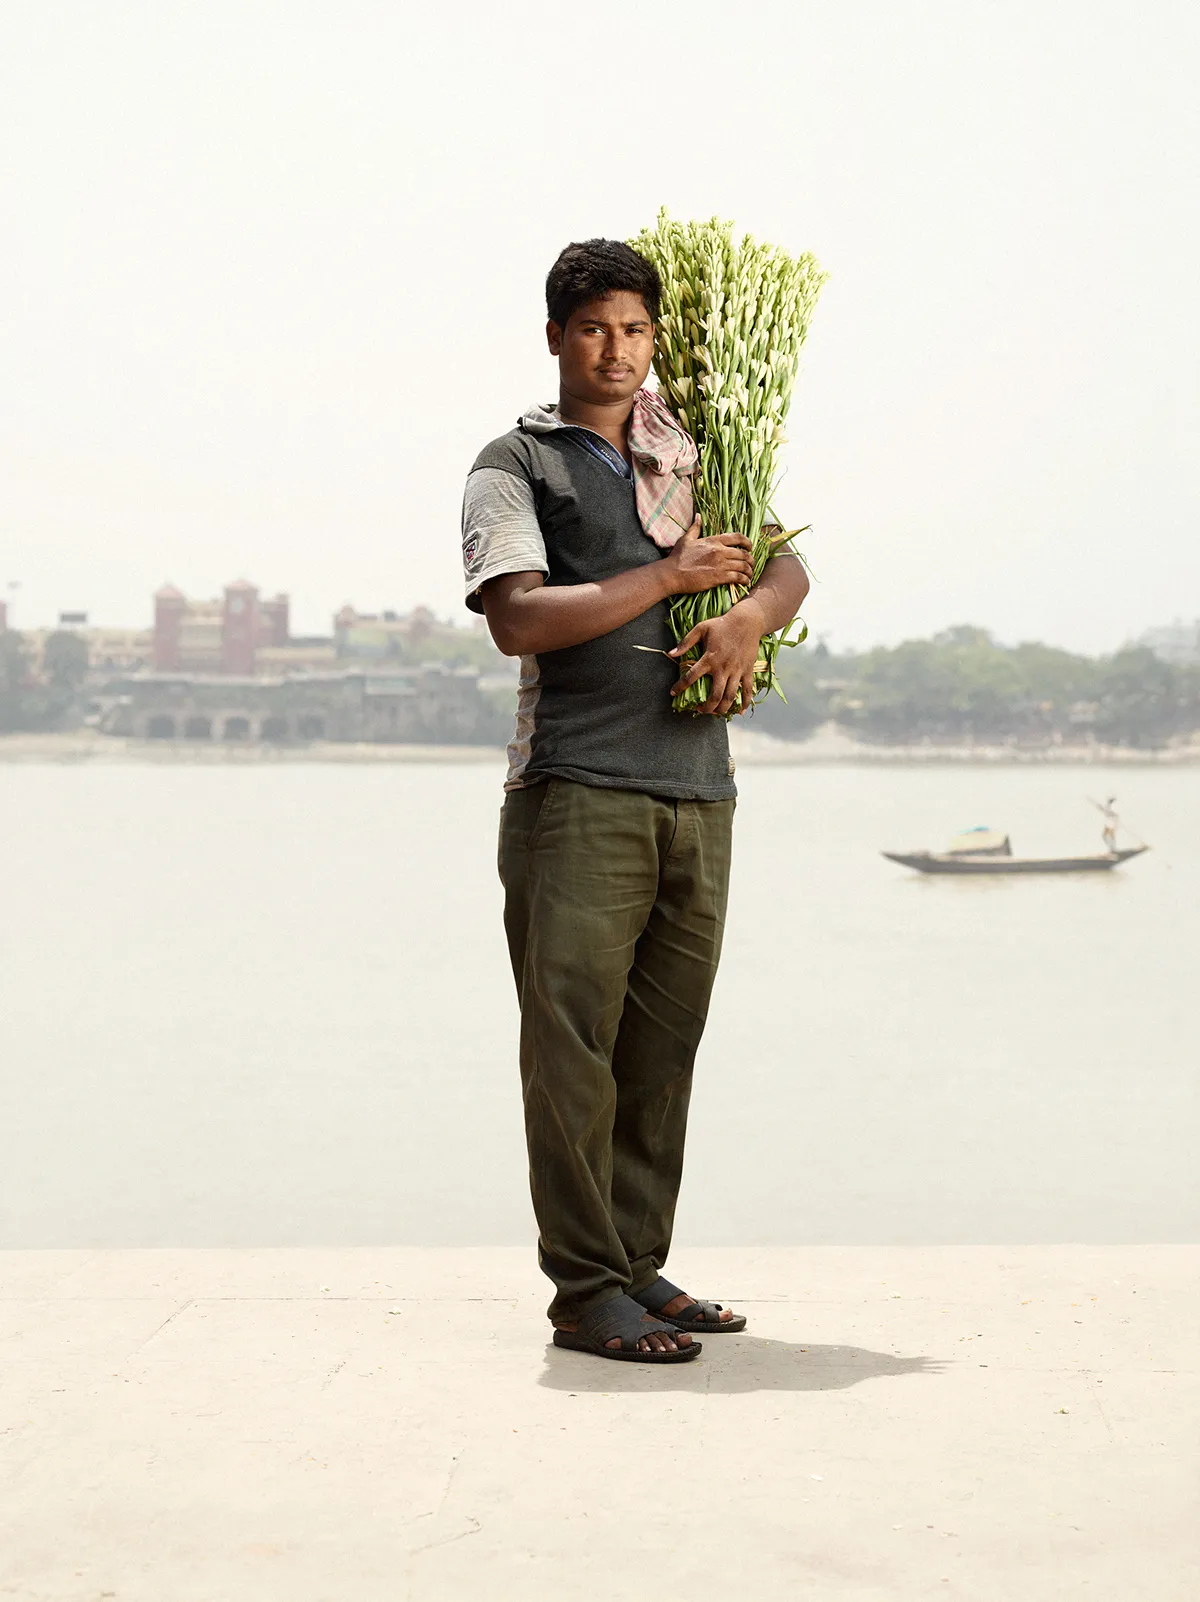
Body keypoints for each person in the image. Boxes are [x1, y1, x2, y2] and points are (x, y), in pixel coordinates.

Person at [460, 238, 809, 1363]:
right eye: (595, 328)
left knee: (663, 1045)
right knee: (572, 1048)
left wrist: (749, 616)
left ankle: (637, 1265)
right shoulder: (517, 465)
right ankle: (585, 1292)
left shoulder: (693, 452)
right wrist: (668, 578)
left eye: (636, 330)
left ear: (658, 340)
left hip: (698, 791)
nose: (616, 351)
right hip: (577, 792)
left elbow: (783, 562)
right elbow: (519, 616)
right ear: (556, 336)